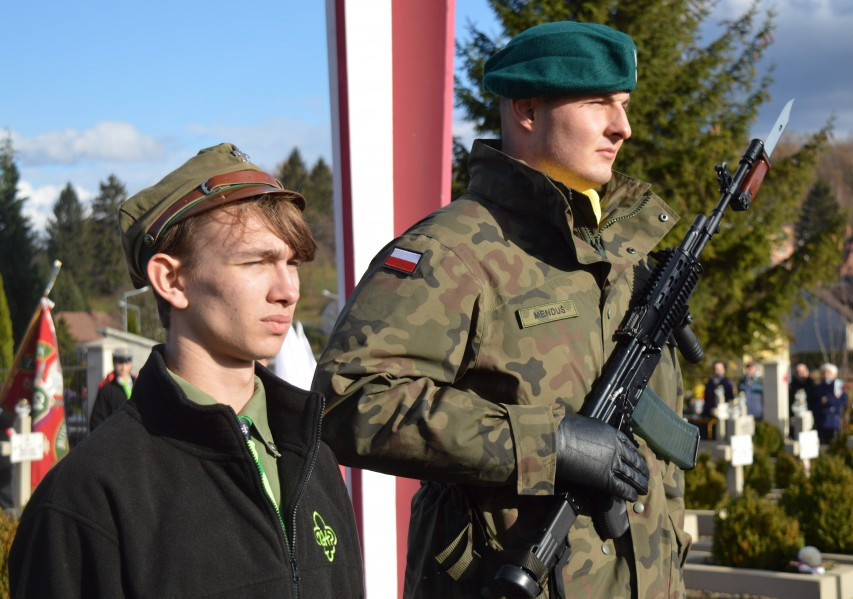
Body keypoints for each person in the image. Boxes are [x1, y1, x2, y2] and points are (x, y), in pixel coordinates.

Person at [313, 22, 689, 598]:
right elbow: (348, 399)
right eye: (597, 104)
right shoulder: (453, 251)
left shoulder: (623, 259)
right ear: (527, 109)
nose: (623, 127)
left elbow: (661, 462)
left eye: (624, 104)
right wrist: (548, 444)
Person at [10, 143, 364, 598]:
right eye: (257, 261)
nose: (288, 290)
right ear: (172, 280)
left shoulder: (314, 456)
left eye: (291, 262)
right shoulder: (87, 497)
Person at [89, 347, 136, 431]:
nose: (124, 367)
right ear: (114, 363)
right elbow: (97, 421)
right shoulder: (106, 390)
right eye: (120, 363)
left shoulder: (138, 383)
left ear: (131, 364)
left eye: (127, 362)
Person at [813, 362, 848, 445]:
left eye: (828, 373)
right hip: (820, 421)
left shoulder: (839, 387)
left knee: (833, 443)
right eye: (823, 373)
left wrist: (829, 400)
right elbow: (813, 403)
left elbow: (843, 401)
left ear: (834, 374)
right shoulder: (818, 387)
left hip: (833, 421)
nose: (826, 375)